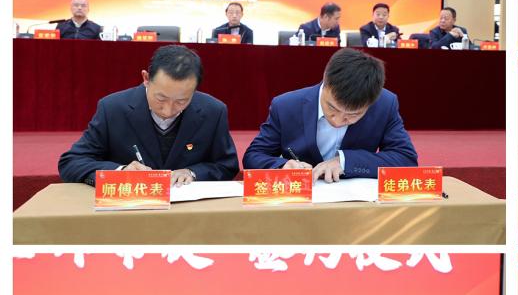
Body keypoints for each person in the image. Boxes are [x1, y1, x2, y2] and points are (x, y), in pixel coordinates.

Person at [58, 45, 239, 185]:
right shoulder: (113, 108)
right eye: (161, 98)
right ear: (146, 78)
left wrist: (192, 173)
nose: (168, 110)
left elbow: (226, 165)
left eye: (181, 101)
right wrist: (121, 171)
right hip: (129, 211)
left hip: (188, 214)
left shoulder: (213, 111)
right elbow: (72, 162)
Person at [242, 48, 417, 180]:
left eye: (353, 115)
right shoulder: (286, 105)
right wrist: (282, 166)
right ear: (325, 80)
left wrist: (345, 161)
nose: (338, 121)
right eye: (332, 108)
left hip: (355, 203)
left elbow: (406, 159)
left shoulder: (384, 104)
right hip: (299, 201)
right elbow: (254, 156)